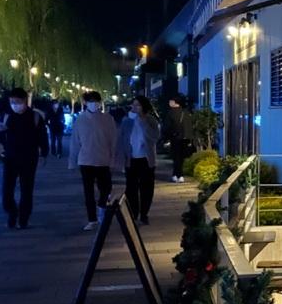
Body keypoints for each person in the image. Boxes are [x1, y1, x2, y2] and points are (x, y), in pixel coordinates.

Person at [0, 88, 48, 229]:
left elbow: (42, 136)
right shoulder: (6, 116)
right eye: (12, 102)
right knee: (7, 189)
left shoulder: (35, 117)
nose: (14, 104)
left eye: (17, 101)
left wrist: (44, 153)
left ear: (25, 100)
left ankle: (23, 219)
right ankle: (12, 212)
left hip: (29, 158)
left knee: (27, 189)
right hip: (10, 157)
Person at [68, 90, 119, 231]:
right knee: (88, 192)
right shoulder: (80, 120)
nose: (94, 104)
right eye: (91, 101)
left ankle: (102, 208)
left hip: (103, 160)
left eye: (96, 101)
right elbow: (75, 142)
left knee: (106, 188)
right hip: (86, 160)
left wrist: (113, 159)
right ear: (85, 103)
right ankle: (92, 219)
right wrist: (72, 162)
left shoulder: (108, 119)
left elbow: (113, 141)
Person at [118, 95, 161, 224]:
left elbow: (154, 137)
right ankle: (134, 213)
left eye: (138, 105)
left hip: (146, 159)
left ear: (143, 106)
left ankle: (144, 213)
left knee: (146, 188)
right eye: (133, 105)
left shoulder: (150, 120)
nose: (135, 107)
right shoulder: (126, 121)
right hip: (131, 159)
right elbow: (122, 139)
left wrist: (142, 121)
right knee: (131, 188)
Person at [163, 96, 194, 183]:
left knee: (175, 157)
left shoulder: (170, 113)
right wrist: (190, 138)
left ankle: (177, 175)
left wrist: (166, 138)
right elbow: (189, 126)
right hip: (185, 138)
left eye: (170, 101)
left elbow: (166, 127)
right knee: (181, 158)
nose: (169, 103)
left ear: (174, 102)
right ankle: (179, 175)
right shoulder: (185, 112)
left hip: (175, 138)